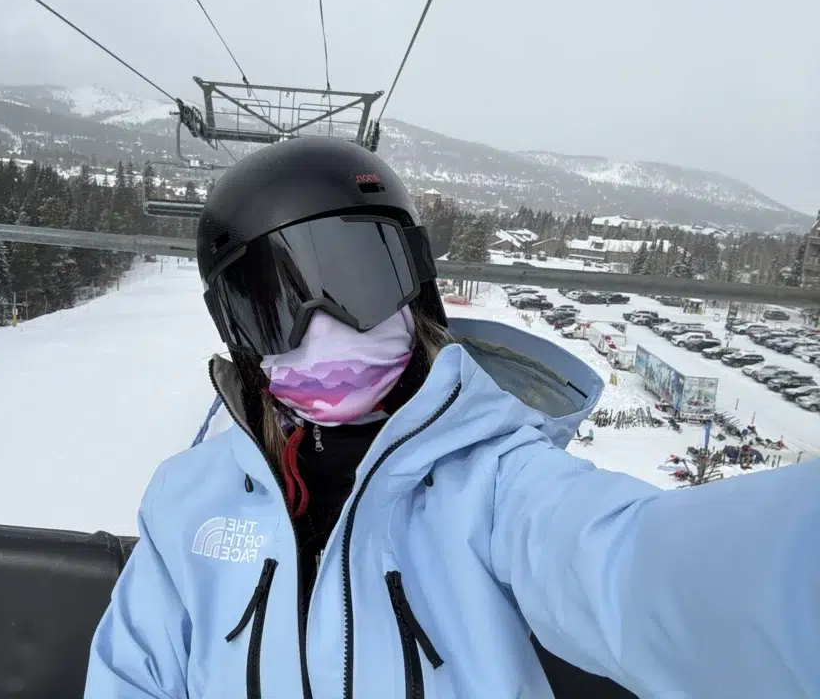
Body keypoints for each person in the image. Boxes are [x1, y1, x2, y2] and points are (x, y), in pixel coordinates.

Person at [84, 137, 818, 698]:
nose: (324, 329)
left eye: (358, 284)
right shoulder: (188, 502)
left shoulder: (499, 487)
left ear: (417, 292)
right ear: (240, 338)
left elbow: (635, 569)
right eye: (278, 308)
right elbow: (132, 676)